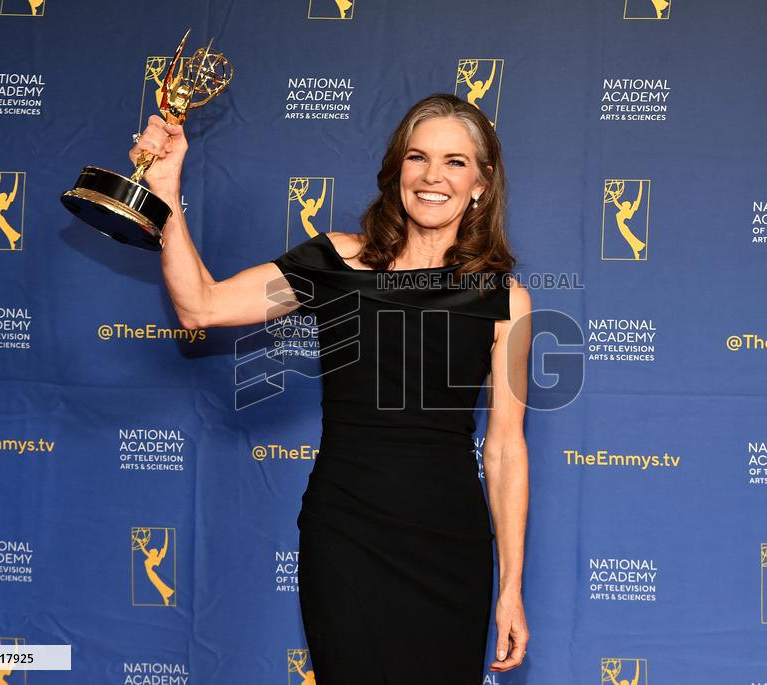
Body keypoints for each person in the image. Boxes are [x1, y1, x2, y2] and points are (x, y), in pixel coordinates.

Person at [129, 92, 532, 684]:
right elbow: (201, 306)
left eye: (454, 161)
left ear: (481, 182)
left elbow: (504, 450)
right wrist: (163, 188)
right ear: (397, 169)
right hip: (348, 534)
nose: (431, 176)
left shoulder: (506, 304)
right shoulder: (336, 265)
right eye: (417, 157)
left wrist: (511, 589)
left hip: (449, 544)